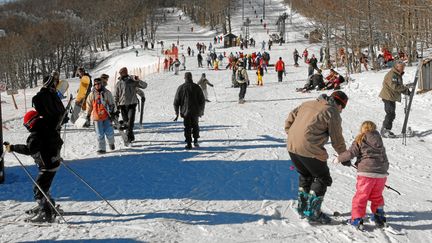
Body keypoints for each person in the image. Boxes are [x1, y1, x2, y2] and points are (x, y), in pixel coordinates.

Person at [285, 91, 348, 224]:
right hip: (308, 148)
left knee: (306, 175)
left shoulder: (307, 103)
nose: (341, 111)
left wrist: (292, 133)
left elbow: (290, 118)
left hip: (291, 146)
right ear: (340, 105)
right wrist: (344, 156)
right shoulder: (332, 111)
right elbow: (337, 138)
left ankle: (303, 208)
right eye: (343, 108)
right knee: (322, 177)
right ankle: (313, 213)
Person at [334, 121, 389, 229]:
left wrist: (339, 158)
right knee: (377, 196)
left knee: (361, 196)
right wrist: (383, 170)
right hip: (381, 174)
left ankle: (357, 218)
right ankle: (379, 216)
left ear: (362, 129)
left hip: (366, 173)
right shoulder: (379, 139)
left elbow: (351, 153)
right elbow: (384, 156)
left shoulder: (361, 138)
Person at [114, 67, 148, 144]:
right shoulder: (118, 84)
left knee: (131, 121)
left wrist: (138, 80)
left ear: (126, 72)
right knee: (126, 122)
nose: (121, 74)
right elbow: (115, 96)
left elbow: (144, 86)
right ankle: (131, 135)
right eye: (120, 73)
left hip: (132, 104)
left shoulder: (132, 81)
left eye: (123, 72)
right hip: (122, 105)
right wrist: (116, 107)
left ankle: (128, 138)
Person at [174, 72, 206, 149]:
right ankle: (195, 141)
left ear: (185, 78)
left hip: (185, 112)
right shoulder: (196, 87)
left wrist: (176, 112)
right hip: (195, 111)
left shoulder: (181, 88)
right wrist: (201, 111)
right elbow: (202, 100)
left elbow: (176, 101)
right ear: (191, 77)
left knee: (187, 127)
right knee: (195, 125)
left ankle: (188, 143)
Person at [378, 61, 410, 138]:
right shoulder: (392, 75)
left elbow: (397, 86)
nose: (403, 69)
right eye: (402, 67)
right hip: (388, 97)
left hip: (391, 97)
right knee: (390, 113)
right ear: (397, 67)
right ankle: (385, 130)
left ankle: (386, 129)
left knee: (391, 114)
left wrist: (405, 90)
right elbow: (394, 87)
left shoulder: (396, 74)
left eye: (403, 67)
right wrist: (405, 89)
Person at [86, 78, 116, 154]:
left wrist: (113, 112)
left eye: (99, 84)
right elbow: (89, 105)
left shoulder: (107, 93)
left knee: (109, 132)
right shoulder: (92, 94)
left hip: (106, 116)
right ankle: (101, 148)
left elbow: (112, 103)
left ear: (101, 84)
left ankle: (111, 143)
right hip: (96, 117)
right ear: (94, 85)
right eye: (96, 84)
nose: (98, 85)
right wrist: (88, 115)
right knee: (99, 134)